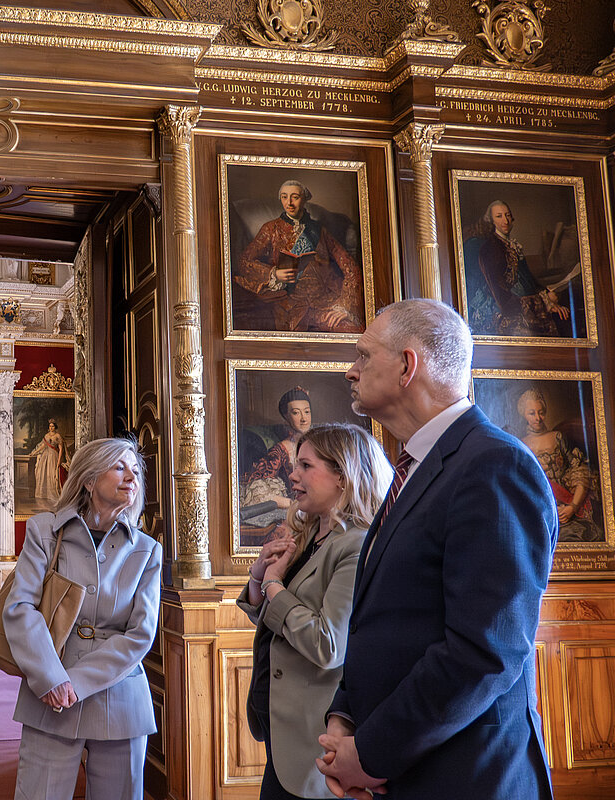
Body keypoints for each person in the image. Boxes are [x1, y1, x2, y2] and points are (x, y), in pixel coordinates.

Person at [318, 298, 557, 799]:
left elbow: (483, 650)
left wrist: (372, 754)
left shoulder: (494, 466)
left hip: (465, 774)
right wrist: (345, 719)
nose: (350, 370)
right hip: (409, 770)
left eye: (363, 356)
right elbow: (383, 623)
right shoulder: (414, 468)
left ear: (407, 365)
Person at [3, 437, 162, 800]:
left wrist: (75, 682)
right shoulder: (45, 531)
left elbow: (140, 634)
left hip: (120, 700)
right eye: (119, 467)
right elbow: (20, 608)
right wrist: (52, 678)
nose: (131, 477)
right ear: (89, 479)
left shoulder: (147, 550)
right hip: (49, 696)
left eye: (135, 470)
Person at [238, 423, 391, 800]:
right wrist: (260, 579)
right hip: (281, 727)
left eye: (305, 465)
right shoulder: (309, 534)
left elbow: (327, 645)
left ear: (343, 475)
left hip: (316, 738)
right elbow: (281, 623)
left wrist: (274, 587)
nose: (292, 475)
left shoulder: (355, 545)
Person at [233, 180, 365, 334]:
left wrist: (345, 306)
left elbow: (351, 267)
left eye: (294, 197)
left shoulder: (319, 230)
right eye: (284, 197)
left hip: (326, 301)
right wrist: (273, 273)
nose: (289, 202)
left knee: (353, 330)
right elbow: (244, 261)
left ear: (304, 199)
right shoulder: (270, 229)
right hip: (289, 303)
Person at [468, 200, 568, 337]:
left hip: (524, 303)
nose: (505, 220)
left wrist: (548, 299)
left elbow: (529, 280)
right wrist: (542, 303)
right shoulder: (490, 248)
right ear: (491, 221)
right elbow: (500, 295)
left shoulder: (512, 245)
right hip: (506, 309)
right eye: (499, 216)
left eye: (507, 215)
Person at [517, 387, 601, 543]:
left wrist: (573, 507)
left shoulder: (557, 437)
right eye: (532, 413)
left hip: (569, 506)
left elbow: (580, 470)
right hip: (541, 512)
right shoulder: (520, 445)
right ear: (524, 415)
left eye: (541, 412)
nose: (538, 418)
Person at [240, 387, 314, 526]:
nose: (304, 419)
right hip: (297, 515)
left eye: (307, 412)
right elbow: (256, 489)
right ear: (286, 417)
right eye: (296, 413)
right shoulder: (281, 450)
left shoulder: (321, 445)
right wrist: (292, 503)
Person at [28, 419, 69, 508]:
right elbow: (43, 446)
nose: (51, 428)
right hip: (45, 456)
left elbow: (61, 449)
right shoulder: (46, 436)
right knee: (43, 473)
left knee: (52, 475)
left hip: (54, 456)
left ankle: (52, 494)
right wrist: (34, 452)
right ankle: (44, 494)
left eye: (53, 426)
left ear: (55, 427)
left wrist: (59, 460)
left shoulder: (58, 436)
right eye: (50, 426)